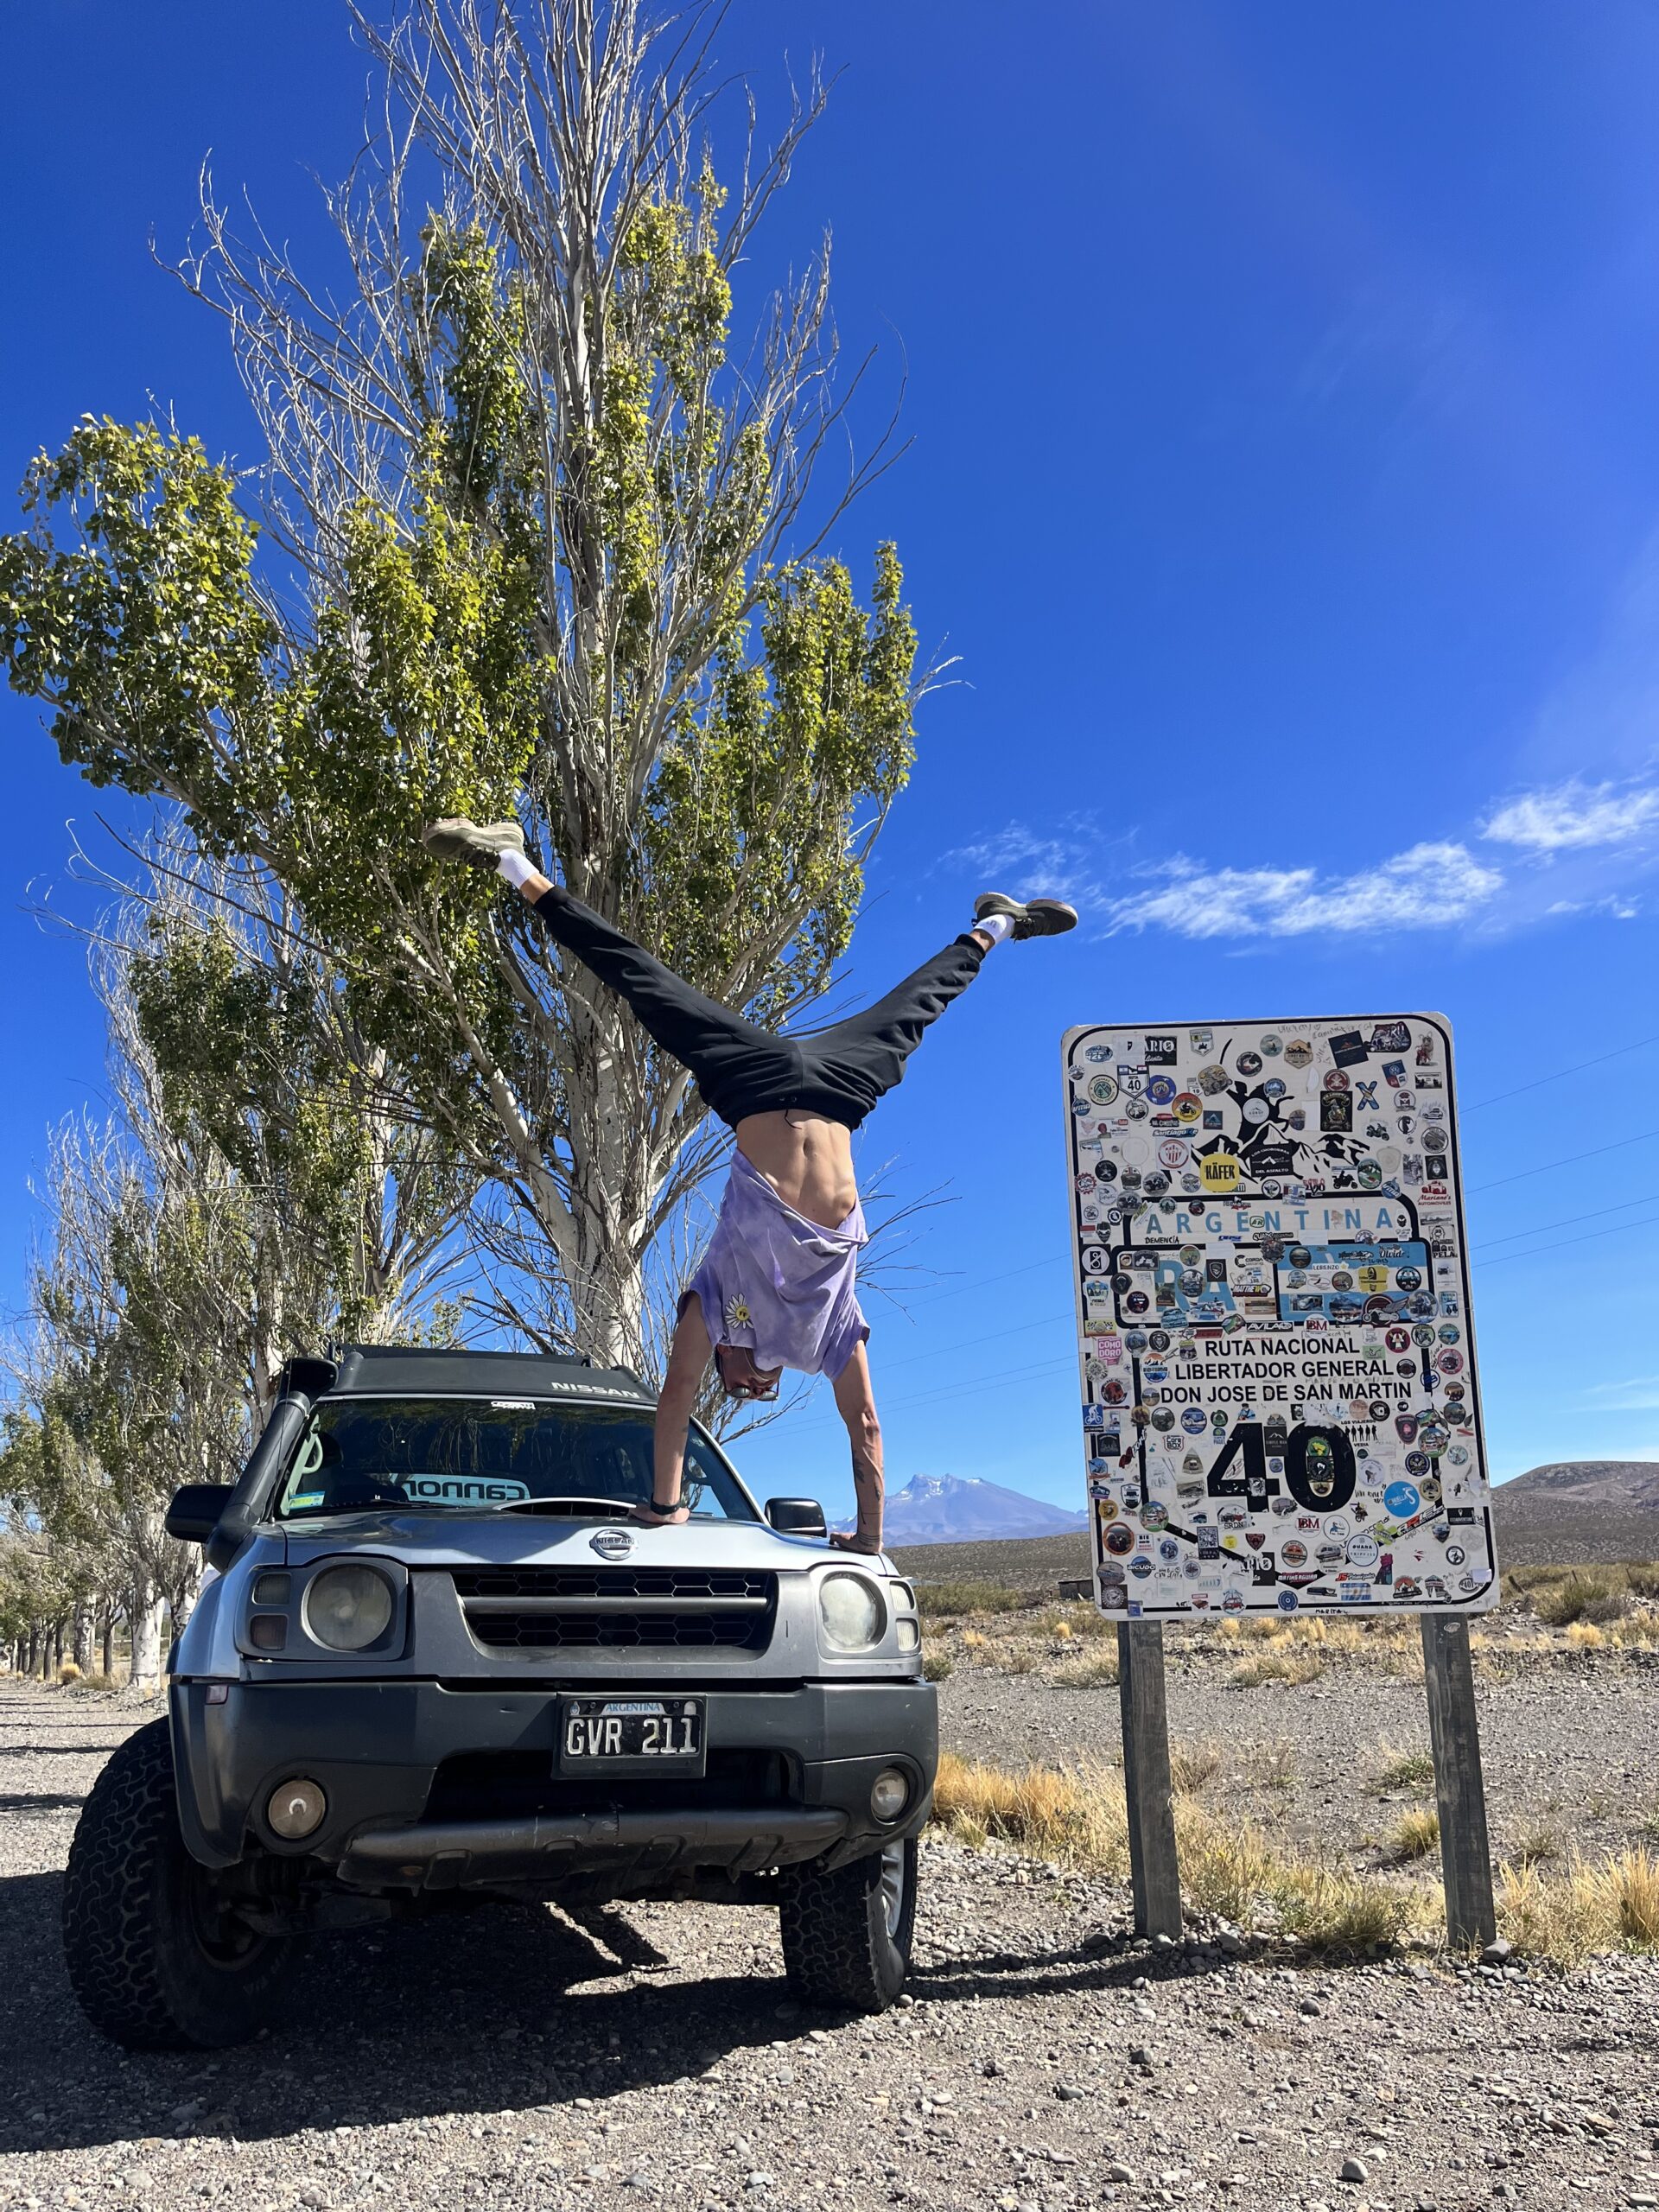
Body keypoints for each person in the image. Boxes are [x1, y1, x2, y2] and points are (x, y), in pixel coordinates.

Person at [422, 817, 1077, 1551]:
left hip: (752, 1083)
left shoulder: (712, 1309)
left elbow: (673, 1400)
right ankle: (999, 921)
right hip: (840, 1091)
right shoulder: (827, 1339)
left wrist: (666, 1506)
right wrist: (870, 1535)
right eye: (761, 1390)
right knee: (922, 1003)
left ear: (723, 1367)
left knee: (636, 977)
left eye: (737, 1385)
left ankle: (510, 859)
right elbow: (865, 1424)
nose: (755, 1383)